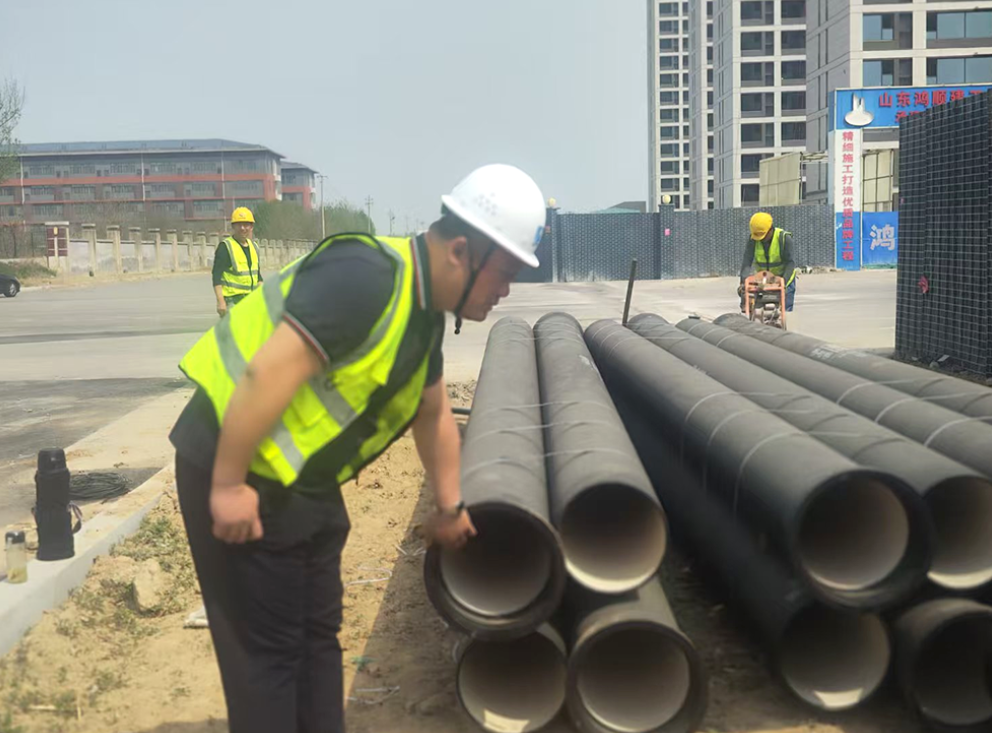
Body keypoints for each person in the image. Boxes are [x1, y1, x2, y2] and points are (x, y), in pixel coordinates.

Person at [168, 164, 546, 733]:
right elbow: (269, 373)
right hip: (230, 457)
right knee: (269, 653)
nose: (505, 291)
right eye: (505, 273)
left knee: (317, 634)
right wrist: (227, 485)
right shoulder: (367, 277)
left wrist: (450, 507)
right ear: (461, 252)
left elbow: (434, 415)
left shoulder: (422, 318)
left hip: (298, 481)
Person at [739, 211, 798, 311]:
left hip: (784, 278)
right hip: (763, 279)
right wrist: (743, 283)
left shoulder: (784, 239)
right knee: (758, 308)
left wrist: (783, 282)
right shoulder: (753, 239)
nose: (760, 239)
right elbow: (747, 261)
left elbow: (790, 263)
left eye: (763, 235)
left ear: (770, 229)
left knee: (784, 310)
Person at [213, 207, 263, 318]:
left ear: (251, 227)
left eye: (246, 225)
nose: (242, 228)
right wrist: (220, 301)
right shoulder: (225, 247)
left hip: (251, 301)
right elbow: (216, 276)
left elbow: (258, 276)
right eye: (239, 225)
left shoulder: (254, 247)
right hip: (232, 302)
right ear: (233, 226)